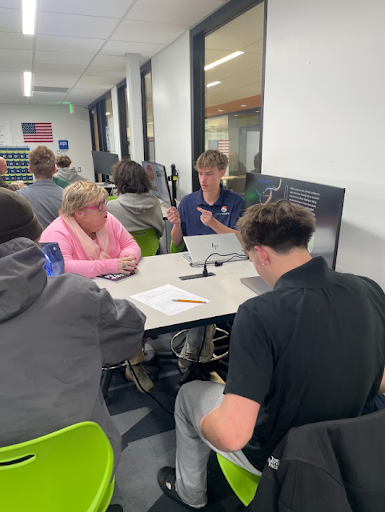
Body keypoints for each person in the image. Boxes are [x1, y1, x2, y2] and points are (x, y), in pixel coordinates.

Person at [158, 200, 385, 510]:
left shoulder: (258, 314)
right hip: (355, 441)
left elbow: (232, 435)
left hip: (284, 454)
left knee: (188, 395)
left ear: (261, 254)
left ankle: (190, 493)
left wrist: (209, 421)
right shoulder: (369, 288)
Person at [0, 187, 145, 477]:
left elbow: (130, 245)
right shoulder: (75, 295)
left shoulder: (77, 288)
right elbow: (130, 331)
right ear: (36, 237)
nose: (106, 210)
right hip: (85, 460)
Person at [40, 181, 153, 393]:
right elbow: (64, 267)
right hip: (79, 299)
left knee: (137, 309)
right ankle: (131, 361)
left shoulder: (108, 221)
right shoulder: (57, 232)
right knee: (123, 315)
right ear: (79, 213)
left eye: (104, 203)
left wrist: (128, 258)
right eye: (99, 206)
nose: (106, 209)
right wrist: (112, 264)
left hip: (119, 288)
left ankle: (133, 357)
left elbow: (131, 244)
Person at [166, 150, 244, 371]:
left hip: (228, 266)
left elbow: (241, 240)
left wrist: (214, 224)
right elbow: (177, 244)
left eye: (209, 174)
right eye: (200, 174)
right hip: (194, 264)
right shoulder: (189, 201)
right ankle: (199, 340)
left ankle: (194, 345)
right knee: (200, 295)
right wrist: (177, 224)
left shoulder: (235, 202)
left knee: (209, 296)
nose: (203, 180)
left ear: (222, 173)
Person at [107, 159, 164, 240]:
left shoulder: (111, 207)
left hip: (123, 251)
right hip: (151, 249)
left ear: (118, 181)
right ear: (144, 179)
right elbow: (160, 231)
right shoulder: (155, 202)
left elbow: (108, 236)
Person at [17, 145, 63, 229]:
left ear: (30, 169)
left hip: (32, 241)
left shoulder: (19, 197)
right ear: (55, 170)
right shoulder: (67, 196)